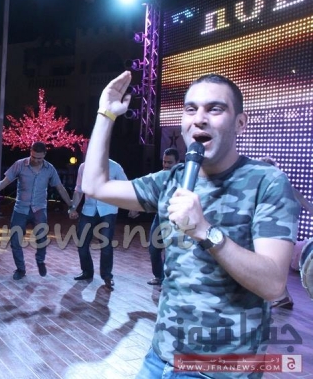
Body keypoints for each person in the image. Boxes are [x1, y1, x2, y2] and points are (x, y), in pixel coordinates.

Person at [82, 71, 300, 378]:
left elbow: (273, 284)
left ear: (240, 123)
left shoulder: (267, 182)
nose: (199, 119)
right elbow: (94, 185)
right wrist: (105, 114)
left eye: (215, 109)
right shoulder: (171, 179)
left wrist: (205, 231)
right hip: (161, 356)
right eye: (190, 109)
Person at [0, 141, 74, 280]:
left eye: (39, 158)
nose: (36, 160)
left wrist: (71, 205)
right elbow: (5, 182)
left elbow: (60, 188)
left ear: (44, 155)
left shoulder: (49, 169)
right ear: (30, 152)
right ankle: (20, 269)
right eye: (33, 157)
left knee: (42, 238)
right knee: (15, 241)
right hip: (21, 208)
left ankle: (40, 260)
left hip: (39, 209)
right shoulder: (20, 164)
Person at [259, 155, 313, 310]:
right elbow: (309, 207)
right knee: (275, 267)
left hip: (276, 232)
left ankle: (279, 296)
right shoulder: (283, 188)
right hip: (284, 232)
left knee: (272, 266)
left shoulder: (274, 189)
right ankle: (282, 296)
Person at [68, 157, 128, 289]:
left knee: (106, 245)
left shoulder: (114, 166)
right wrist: (73, 208)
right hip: (88, 210)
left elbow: (126, 187)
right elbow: (79, 190)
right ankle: (87, 271)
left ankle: (107, 276)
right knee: (82, 243)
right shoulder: (83, 167)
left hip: (108, 210)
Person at [146, 148, 180, 286]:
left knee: (170, 251)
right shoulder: (159, 176)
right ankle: (159, 276)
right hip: (160, 217)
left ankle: (167, 281)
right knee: (153, 248)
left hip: (176, 219)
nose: (166, 165)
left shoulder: (184, 178)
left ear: (177, 162)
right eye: (164, 162)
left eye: (169, 162)